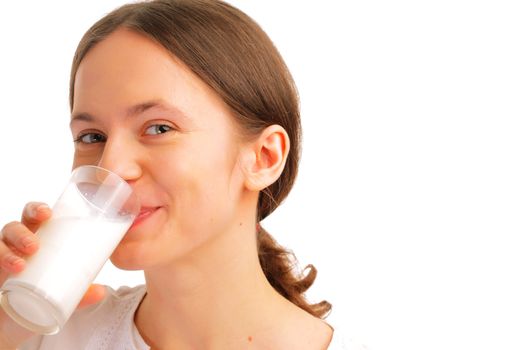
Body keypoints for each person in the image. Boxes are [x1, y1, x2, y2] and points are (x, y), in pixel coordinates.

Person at [0, 1, 360, 349]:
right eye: (92, 137)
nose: (111, 167)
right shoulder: (44, 337)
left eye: (158, 128)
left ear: (263, 157)